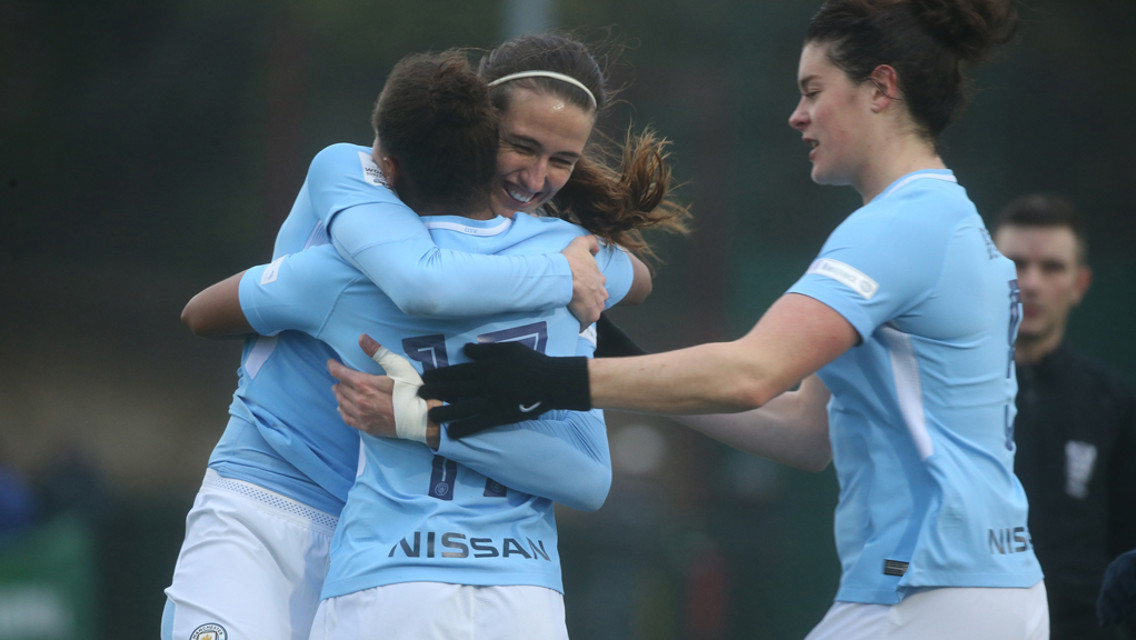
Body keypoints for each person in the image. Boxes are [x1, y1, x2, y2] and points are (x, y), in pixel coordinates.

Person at [390, 1, 1048, 638]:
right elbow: (803, 430)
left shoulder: (899, 227)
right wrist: (611, 357)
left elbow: (750, 373)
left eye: (813, 90)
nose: (797, 115)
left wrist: (553, 378)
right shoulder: (941, 220)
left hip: (931, 588)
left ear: (880, 89)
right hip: (973, 585)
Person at [164, 33, 687, 640]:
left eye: (562, 161)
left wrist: (577, 263)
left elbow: (637, 281)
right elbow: (423, 283)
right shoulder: (356, 171)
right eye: (520, 146)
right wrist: (565, 270)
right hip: (273, 489)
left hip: (382, 532)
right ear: (475, 124)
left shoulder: (546, 246)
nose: (537, 178)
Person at [992, 193, 1136, 639]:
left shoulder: (1114, 403)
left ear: (1080, 283)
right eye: (1015, 263)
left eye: (1052, 267)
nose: (1031, 283)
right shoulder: (939, 392)